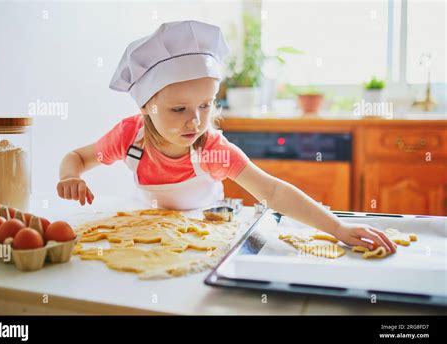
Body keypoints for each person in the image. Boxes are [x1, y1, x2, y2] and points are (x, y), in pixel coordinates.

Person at [57, 20, 397, 253]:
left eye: (206, 105)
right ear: (146, 106)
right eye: (179, 110)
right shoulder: (129, 138)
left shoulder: (212, 151)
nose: (196, 121)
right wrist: (70, 176)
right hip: (145, 236)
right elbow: (78, 157)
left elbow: (273, 191)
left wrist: (337, 229)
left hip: (201, 234)